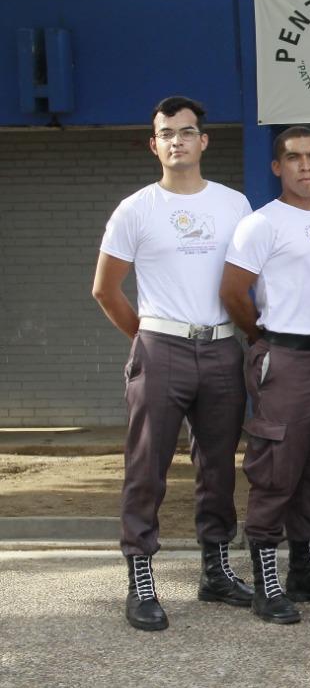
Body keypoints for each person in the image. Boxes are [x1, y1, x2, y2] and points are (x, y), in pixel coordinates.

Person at [91, 95, 253, 631]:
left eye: (187, 132)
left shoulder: (235, 205)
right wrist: (147, 338)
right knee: (147, 466)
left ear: (204, 141)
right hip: (162, 346)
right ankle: (140, 577)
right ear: (154, 144)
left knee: (218, 465)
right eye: (167, 133)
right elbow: (105, 289)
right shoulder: (136, 209)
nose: (177, 141)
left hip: (223, 346)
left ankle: (215, 569)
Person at [221, 126, 310, 625]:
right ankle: (264, 580)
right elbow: (233, 293)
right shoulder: (261, 224)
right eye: (293, 158)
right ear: (277, 168)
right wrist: (263, 340)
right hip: (285, 356)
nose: (304, 166)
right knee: (275, 471)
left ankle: (304, 570)